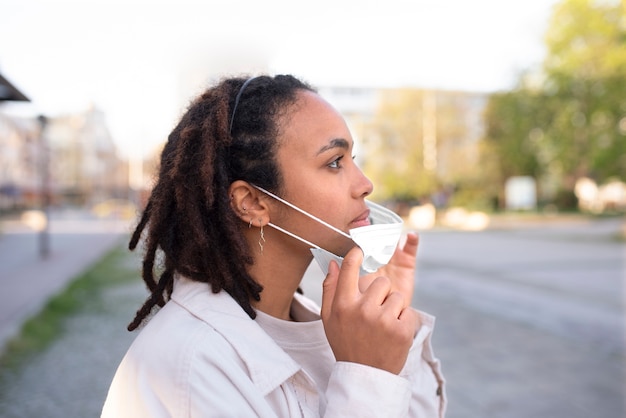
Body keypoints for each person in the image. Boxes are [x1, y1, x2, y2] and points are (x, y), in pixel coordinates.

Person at [101, 74, 446, 417]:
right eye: (334, 162)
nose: (365, 184)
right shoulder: (192, 367)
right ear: (252, 202)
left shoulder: (331, 328)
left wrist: (393, 325)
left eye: (353, 159)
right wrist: (367, 380)